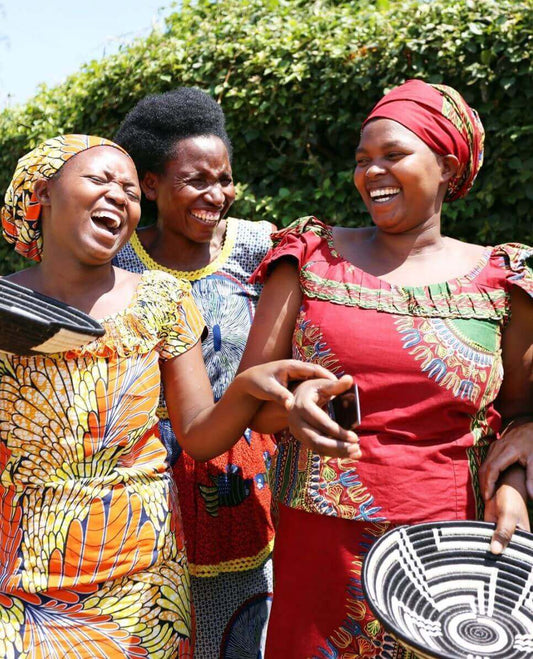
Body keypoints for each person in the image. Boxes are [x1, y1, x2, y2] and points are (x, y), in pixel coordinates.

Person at [0, 134, 341, 658]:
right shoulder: (7, 308)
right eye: (98, 180)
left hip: (142, 579)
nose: (119, 196)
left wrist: (247, 388)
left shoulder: (161, 298)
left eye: (131, 190)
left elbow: (200, 435)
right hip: (19, 570)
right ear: (43, 193)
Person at [238, 79, 533, 657]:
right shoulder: (309, 258)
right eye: (362, 159)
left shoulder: (504, 282)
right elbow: (255, 403)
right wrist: (291, 410)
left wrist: (517, 486)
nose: (371, 172)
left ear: (447, 167)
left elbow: (521, 413)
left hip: (451, 555)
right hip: (320, 547)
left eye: (393, 155)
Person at [112, 88, 277, 657]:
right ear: (152, 185)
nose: (218, 195)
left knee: (248, 627)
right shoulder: (120, 261)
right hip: (150, 484)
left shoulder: (258, 247)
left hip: (248, 480)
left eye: (225, 179)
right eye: (197, 181)